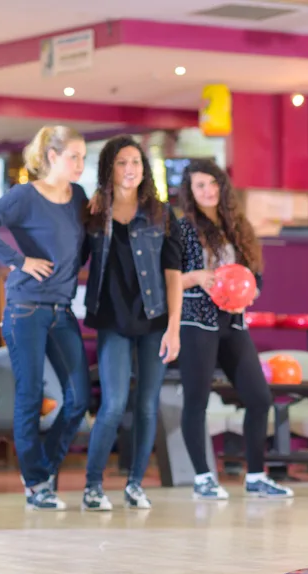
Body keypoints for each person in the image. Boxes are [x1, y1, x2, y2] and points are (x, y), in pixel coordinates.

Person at [0, 125, 91, 511]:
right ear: (52, 156)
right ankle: (36, 484)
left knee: (78, 399)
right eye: (74, 157)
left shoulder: (78, 196)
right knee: (30, 395)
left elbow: (79, 249)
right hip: (26, 309)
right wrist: (19, 261)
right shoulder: (24, 196)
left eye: (84, 157)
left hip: (62, 309)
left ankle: (44, 470)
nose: (80, 165)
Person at [176, 159, 291, 501]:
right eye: (199, 186)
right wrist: (197, 277)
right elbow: (167, 280)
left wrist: (251, 290)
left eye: (213, 184)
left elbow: (254, 276)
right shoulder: (182, 229)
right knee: (196, 402)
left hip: (233, 322)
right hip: (196, 321)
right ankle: (203, 478)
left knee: (259, 397)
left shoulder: (237, 226)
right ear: (190, 192)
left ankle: (256, 476)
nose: (208, 191)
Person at [80, 135, 183, 511]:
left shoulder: (162, 213)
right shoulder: (93, 212)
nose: (129, 170)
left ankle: (135, 484)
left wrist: (174, 327)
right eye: (122, 163)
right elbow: (73, 258)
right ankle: (93, 486)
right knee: (113, 404)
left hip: (155, 321)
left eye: (135, 163)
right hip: (112, 321)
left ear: (145, 168)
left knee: (146, 405)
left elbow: (173, 274)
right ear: (109, 168)